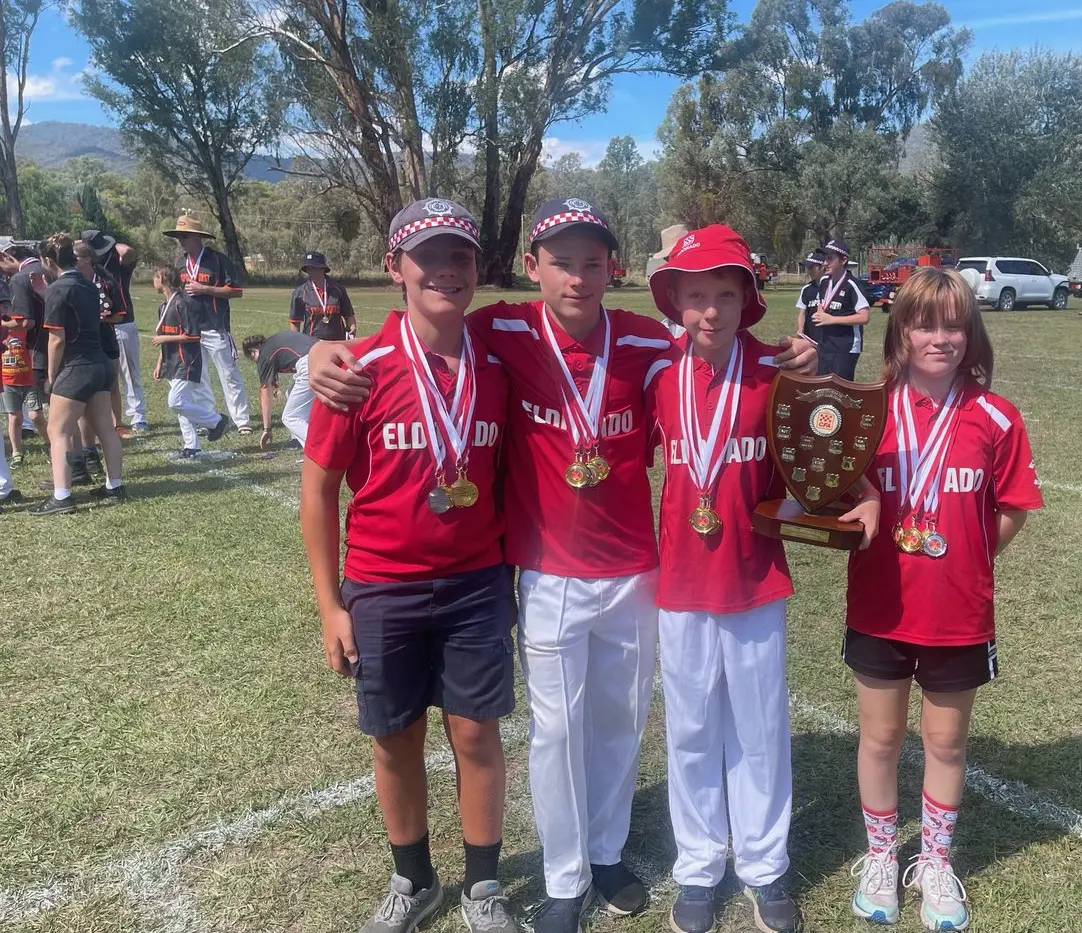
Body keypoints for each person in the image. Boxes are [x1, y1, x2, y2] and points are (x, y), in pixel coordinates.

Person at [304, 196, 818, 933]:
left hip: (637, 570)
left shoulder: (646, 341)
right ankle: (564, 875)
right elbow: (422, 328)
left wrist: (793, 352)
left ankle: (607, 854)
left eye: (592, 263)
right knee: (556, 731)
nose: (577, 278)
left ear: (613, 266)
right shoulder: (499, 328)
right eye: (561, 263)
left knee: (618, 720)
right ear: (533, 267)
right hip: (545, 571)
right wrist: (323, 351)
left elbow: (720, 345)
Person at [646, 225, 879, 933]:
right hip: (680, 582)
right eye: (695, 296)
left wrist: (857, 492)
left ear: (747, 300)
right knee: (688, 729)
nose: (709, 311)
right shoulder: (658, 372)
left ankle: (764, 863)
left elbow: (819, 462)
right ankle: (696, 865)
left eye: (724, 294)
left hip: (753, 580)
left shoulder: (782, 372)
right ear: (676, 302)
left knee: (758, 728)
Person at [300, 198, 519, 933]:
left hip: (478, 584)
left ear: (477, 268)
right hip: (383, 587)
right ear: (395, 266)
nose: (445, 271)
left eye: (459, 256)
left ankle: (483, 889)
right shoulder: (356, 368)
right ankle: (413, 877)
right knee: (395, 739)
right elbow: (319, 488)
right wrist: (331, 606)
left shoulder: (498, 360)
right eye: (427, 256)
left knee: (476, 735)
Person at [843, 268, 1042, 932]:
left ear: (971, 332)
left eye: (953, 323)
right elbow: (838, 490)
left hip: (959, 613)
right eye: (924, 323)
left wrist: (970, 559)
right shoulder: (869, 408)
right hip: (880, 606)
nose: (939, 336)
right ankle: (879, 857)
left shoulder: (996, 416)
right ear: (900, 331)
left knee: (947, 743)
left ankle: (933, 860)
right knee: (880, 737)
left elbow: (1012, 507)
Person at [29, 234, 126, 515]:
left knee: (57, 431)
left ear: (48, 261)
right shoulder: (87, 284)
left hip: (76, 366)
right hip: (100, 364)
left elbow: (57, 338)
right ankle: (115, 485)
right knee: (105, 428)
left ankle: (62, 496)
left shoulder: (58, 289)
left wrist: (50, 376)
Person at [164, 214, 252, 434]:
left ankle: (241, 420)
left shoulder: (218, 261)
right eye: (178, 237)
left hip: (216, 326)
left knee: (229, 374)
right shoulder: (180, 264)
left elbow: (237, 291)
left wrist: (206, 290)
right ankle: (209, 418)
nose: (181, 240)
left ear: (197, 237)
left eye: (184, 236)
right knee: (199, 377)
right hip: (191, 330)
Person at [151, 264, 232, 460]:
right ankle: (191, 446)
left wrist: (165, 340)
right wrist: (159, 362)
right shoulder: (163, 306)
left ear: (164, 279)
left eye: (155, 277)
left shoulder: (183, 303)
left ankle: (216, 421)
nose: (153, 280)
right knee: (182, 404)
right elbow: (163, 335)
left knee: (175, 402)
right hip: (171, 361)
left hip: (186, 360)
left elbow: (193, 336)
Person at [81, 229, 146, 433]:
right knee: (107, 377)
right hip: (99, 326)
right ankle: (108, 417)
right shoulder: (89, 267)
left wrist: (109, 244)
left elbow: (128, 251)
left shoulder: (118, 261)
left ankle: (138, 416)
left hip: (122, 322)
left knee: (129, 373)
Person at [74, 240, 123, 476]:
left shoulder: (106, 281)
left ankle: (113, 432)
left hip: (105, 344)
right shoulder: (71, 281)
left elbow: (120, 315)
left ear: (86, 259)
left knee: (107, 393)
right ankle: (89, 453)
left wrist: (102, 318)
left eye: (75, 256)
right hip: (82, 347)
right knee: (84, 403)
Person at [801, 238, 870, 381]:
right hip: (825, 344)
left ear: (843, 260)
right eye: (825, 258)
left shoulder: (851, 285)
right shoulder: (825, 281)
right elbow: (822, 303)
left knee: (839, 391)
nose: (825, 263)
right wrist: (820, 313)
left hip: (845, 347)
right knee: (822, 387)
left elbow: (864, 317)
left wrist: (831, 319)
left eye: (830, 258)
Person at [241, 330, 315, 450]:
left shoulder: (264, 355)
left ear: (253, 352)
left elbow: (265, 394)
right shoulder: (273, 342)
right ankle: (297, 438)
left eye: (253, 360)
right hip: (322, 354)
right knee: (290, 393)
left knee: (290, 417)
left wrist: (267, 428)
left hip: (309, 364)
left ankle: (317, 447)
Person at [2, 279, 45, 469]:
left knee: (36, 416)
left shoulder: (22, 328)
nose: (4, 309)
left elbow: (27, 321)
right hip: (8, 382)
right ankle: (17, 452)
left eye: (6, 305)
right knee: (15, 418)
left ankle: (50, 443)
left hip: (28, 380)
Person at [290, 251, 357, 341]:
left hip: (338, 342)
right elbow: (295, 323)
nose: (311, 272)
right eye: (308, 269)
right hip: (312, 345)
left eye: (314, 268)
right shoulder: (299, 293)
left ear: (322, 268)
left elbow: (349, 316)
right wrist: (296, 343)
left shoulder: (338, 289)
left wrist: (352, 328)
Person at [795, 248, 827, 338]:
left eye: (811, 267)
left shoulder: (832, 287)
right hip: (810, 336)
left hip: (827, 337)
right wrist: (800, 329)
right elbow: (802, 312)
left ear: (822, 267)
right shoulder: (806, 289)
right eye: (807, 268)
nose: (808, 271)